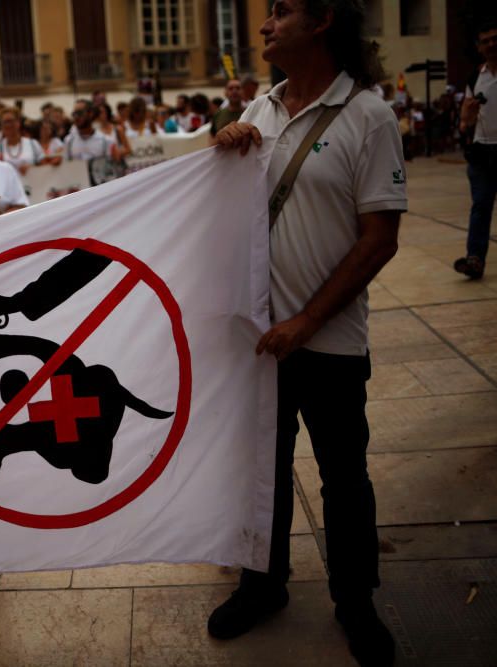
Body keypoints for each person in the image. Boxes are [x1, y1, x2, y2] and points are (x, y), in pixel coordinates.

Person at [210, 1, 406, 665]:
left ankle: (356, 602)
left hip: (328, 341)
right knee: (260, 471)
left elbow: (380, 238)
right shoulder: (259, 109)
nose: (264, 25)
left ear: (322, 21)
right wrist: (225, 146)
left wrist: (309, 319)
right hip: (259, 343)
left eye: (280, 12)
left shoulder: (369, 115)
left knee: (343, 476)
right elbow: (225, 207)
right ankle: (264, 586)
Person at [454, 19, 497, 280]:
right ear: (479, 47)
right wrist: (466, 117)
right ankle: (475, 259)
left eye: (495, 38)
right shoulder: (474, 78)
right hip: (483, 152)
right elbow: (464, 123)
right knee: (481, 205)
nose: (492, 44)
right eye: (486, 41)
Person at [0, 107, 43, 174]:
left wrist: (32, 167)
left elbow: (44, 165)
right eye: (5, 122)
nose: (8, 125)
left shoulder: (32, 143)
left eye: (11, 121)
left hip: (31, 183)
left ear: (18, 122)